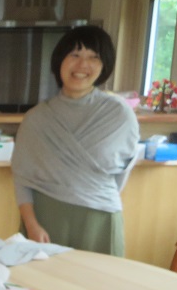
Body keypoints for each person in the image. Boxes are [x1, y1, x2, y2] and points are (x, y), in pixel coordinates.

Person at [11, 25, 140, 257]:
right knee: (44, 280)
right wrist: (31, 224)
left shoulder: (119, 114)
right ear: (60, 60)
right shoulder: (36, 118)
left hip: (99, 219)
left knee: (98, 280)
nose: (82, 65)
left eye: (93, 57)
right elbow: (22, 178)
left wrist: (91, 192)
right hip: (45, 219)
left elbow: (122, 172)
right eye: (75, 55)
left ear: (104, 65)